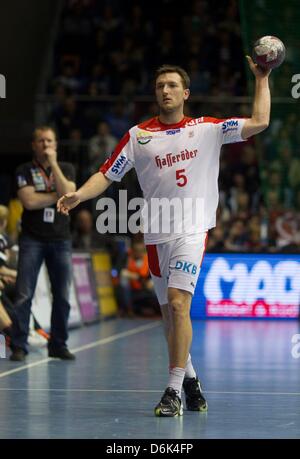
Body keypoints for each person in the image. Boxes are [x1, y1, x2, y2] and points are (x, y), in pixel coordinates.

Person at [57, 58, 271, 416]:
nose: (165, 91)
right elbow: (106, 174)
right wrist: (79, 194)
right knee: (169, 320)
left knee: (177, 304)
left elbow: (260, 122)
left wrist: (262, 79)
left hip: (191, 230)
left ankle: (172, 392)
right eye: (160, 86)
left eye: (172, 85)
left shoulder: (208, 129)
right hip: (156, 234)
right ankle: (190, 380)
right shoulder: (139, 136)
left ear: (185, 93)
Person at [9, 126, 77, 362]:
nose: (45, 145)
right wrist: (57, 196)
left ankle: (58, 344)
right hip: (32, 239)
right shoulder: (24, 170)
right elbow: (28, 201)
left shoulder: (66, 168)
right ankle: (18, 345)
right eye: (41, 141)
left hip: (61, 239)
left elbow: (71, 195)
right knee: (23, 294)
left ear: (56, 145)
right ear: (33, 145)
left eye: (50, 141)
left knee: (63, 295)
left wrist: (54, 165)